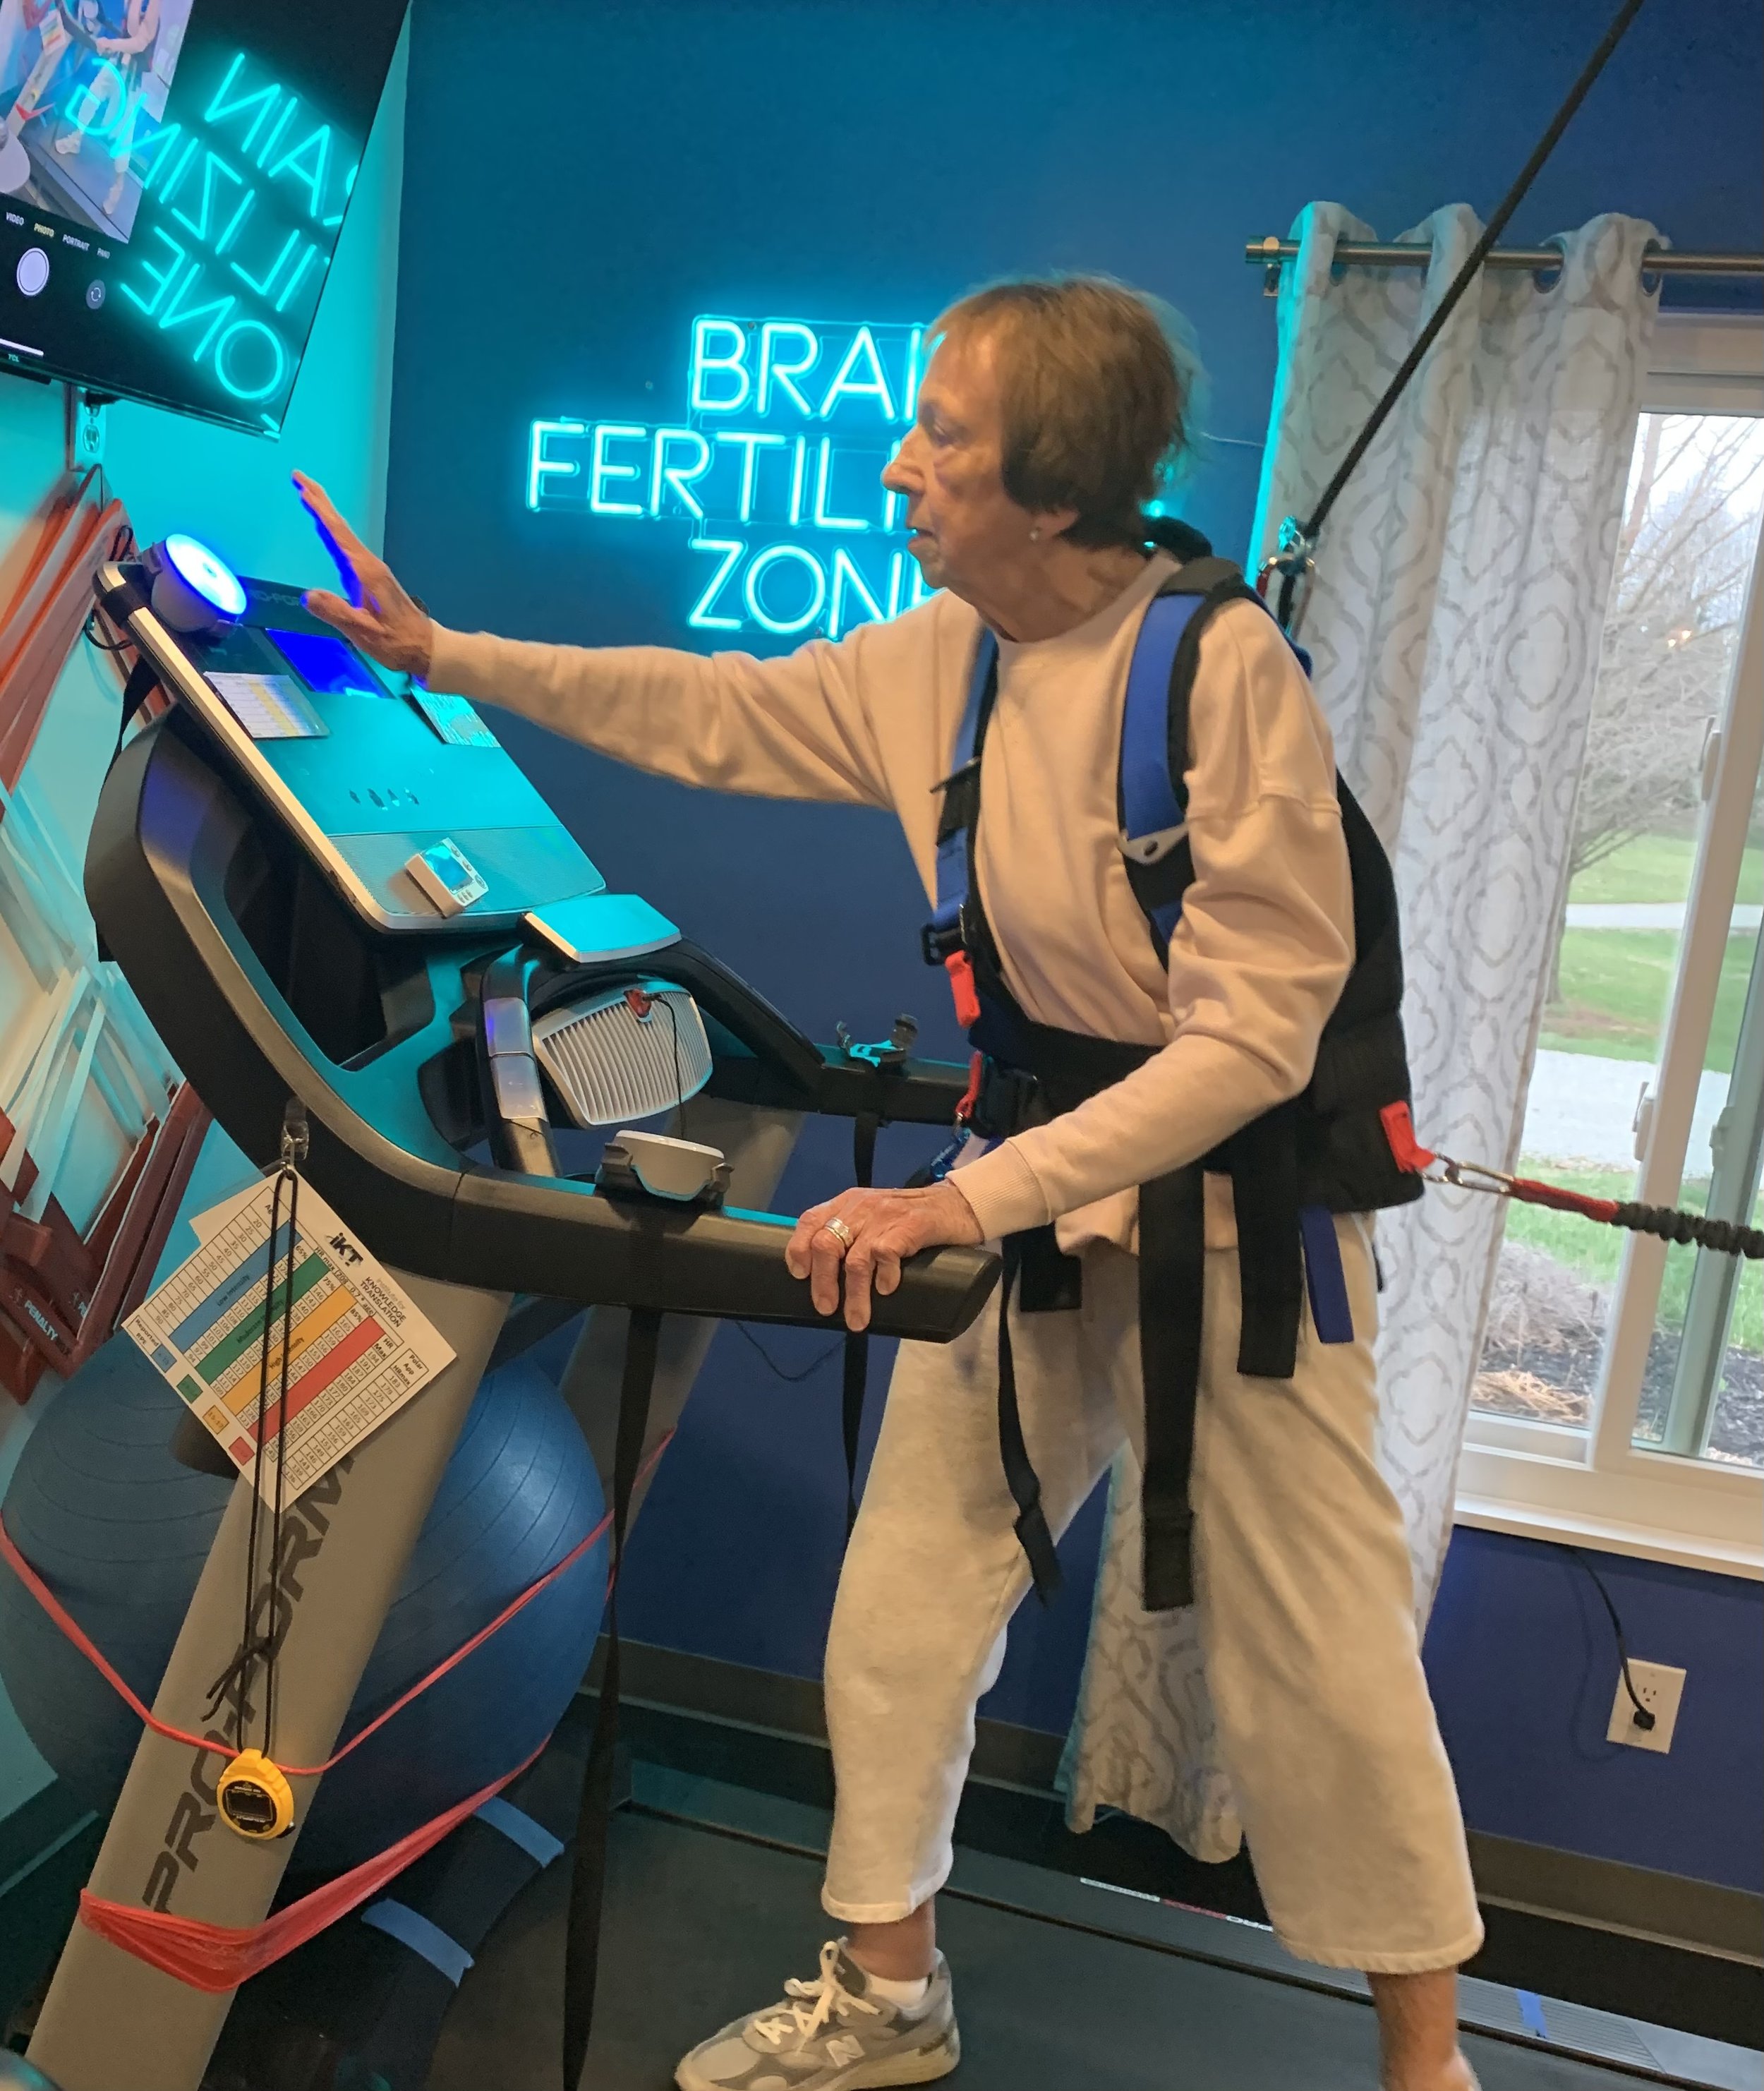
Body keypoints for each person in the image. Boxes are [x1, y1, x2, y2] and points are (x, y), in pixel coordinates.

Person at [296, 274, 1482, 2091]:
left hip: (1233, 1215)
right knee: (908, 1599)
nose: (899, 461)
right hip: (1025, 1180)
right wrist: (447, 659)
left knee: (1319, 1643)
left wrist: (960, 1204)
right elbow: (708, 709)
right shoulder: (949, 653)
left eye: (943, 434)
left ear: (1057, 489)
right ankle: (886, 1998)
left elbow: (1248, 1043)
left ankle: (1427, 2065)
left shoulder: (1217, 672)